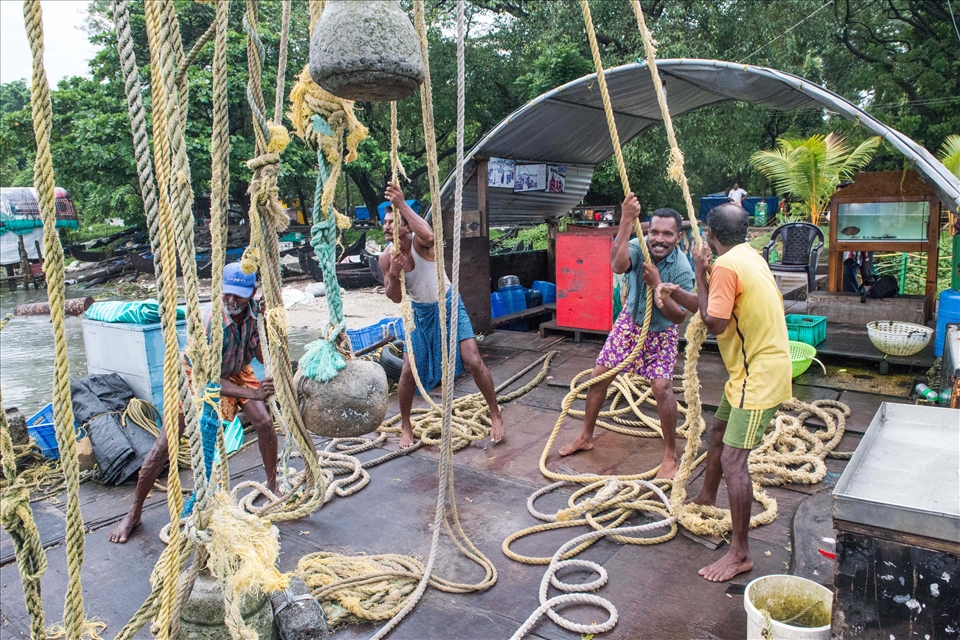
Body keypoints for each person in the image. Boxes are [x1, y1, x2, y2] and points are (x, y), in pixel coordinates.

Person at [656, 203, 792, 582]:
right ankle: (706, 496)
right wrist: (679, 290)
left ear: (710, 234)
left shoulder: (726, 266)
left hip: (758, 377)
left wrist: (700, 272)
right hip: (749, 373)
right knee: (718, 431)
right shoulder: (747, 256)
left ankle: (740, 553)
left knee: (734, 461)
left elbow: (714, 321)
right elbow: (711, 304)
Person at [109, 263, 278, 543]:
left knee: (264, 422)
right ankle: (134, 512)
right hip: (197, 374)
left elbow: (262, 357)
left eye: (238, 295)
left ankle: (273, 485)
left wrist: (266, 325)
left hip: (236, 370)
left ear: (252, 292)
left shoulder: (254, 314)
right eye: (226, 293)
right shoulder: (209, 321)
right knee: (165, 445)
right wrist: (254, 393)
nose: (231, 300)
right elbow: (208, 381)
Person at [558, 195, 695, 480]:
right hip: (629, 324)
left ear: (677, 237)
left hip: (661, 332)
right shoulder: (637, 246)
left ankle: (670, 455)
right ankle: (585, 436)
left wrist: (658, 285)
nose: (659, 239)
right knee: (598, 378)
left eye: (667, 234)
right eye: (654, 232)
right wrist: (626, 221)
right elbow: (617, 266)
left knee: (661, 388)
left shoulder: (682, 268)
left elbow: (678, 318)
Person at [379, 184, 504, 448]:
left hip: (449, 304)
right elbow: (395, 297)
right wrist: (393, 274)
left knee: (472, 359)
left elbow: (431, 236)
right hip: (420, 314)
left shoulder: (420, 243)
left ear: (406, 227)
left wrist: (402, 204)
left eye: (392, 222)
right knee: (407, 371)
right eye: (385, 222)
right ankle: (406, 426)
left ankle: (495, 413)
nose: (386, 226)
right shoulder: (386, 257)